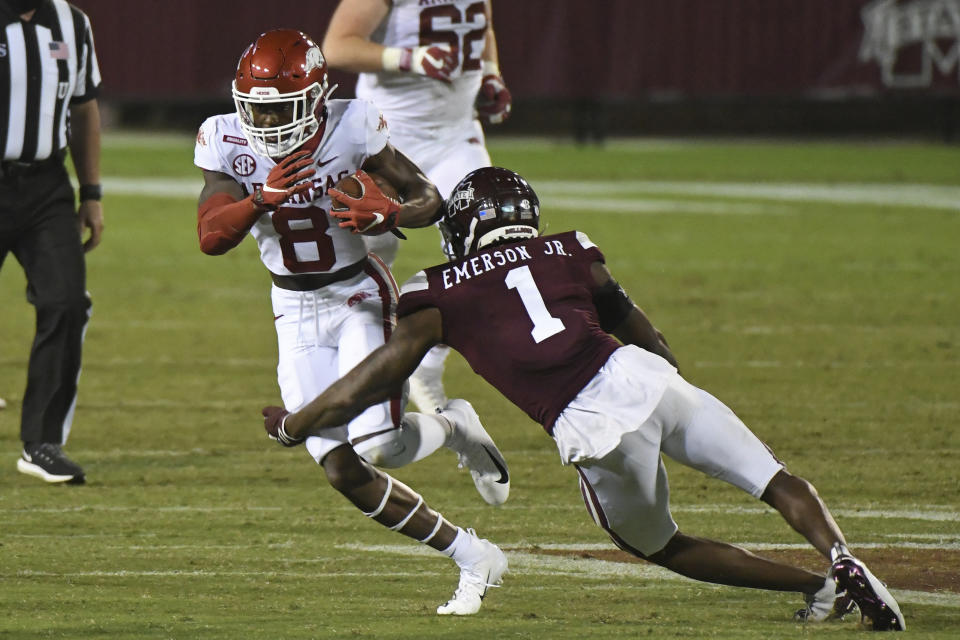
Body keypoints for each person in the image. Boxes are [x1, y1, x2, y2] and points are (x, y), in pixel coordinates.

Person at [262, 167, 906, 631]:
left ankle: (819, 588)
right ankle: (844, 560)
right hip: (645, 377)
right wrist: (672, 390)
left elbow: (374, 377)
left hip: (592, 423)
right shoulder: (570, 249)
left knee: (660, 545)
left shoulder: (438, 291)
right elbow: (641, 328)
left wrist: (298, 422)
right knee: (774, 478)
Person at [194, 29, 509, 615]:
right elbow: (211, 235)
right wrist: (258, 200)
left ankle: (451, 424)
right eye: (256, 106)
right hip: (291, 308)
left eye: (279, 107)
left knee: (381, 446)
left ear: (316, 99)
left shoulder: (353, 124)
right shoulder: (224, 140)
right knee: (340, 467)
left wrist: (391, 210)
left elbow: (429, 197)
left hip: (357, 294)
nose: (265, 120)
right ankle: (471, 553)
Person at [322, 0, 513, 413]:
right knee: (366, 261)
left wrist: (491, 75)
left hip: (456, 133)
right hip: (389, 140)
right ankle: (356, 369)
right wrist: (408, 58)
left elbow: (482, 27)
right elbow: (337, 46)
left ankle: (427, 363)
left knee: (493, 254)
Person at [1, 0, 104, 484]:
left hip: (46, 186)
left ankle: (41, 443)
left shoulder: (72, 22)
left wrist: (92, 191)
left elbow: (84, 108)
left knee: (66, 301)